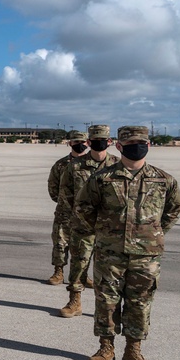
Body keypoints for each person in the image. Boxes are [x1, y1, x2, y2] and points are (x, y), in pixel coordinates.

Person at [74, 125, 180, 360]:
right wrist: (104, 233)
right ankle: (105, 348)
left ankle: (133, 351)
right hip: (110, 253)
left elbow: (174, 209)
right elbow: (84, 207)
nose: (137, 147)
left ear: (149, 145)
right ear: (119, 147)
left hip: (147, 255)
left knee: (141, 302)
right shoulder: (102, 178)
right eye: (131, 144)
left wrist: (155, 233)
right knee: (107, 301)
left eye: (141, 142)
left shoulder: (164, 179)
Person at [57, 125, 120, 317]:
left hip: (110, 228)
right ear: (89, 142)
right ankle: (75, 301)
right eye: (95, 139)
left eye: (104, 139)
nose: (100, 143)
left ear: (110, 142)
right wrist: (75, 218)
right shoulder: (75, 166)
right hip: (83, 225)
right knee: (79, 264)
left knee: (111, 270)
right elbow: (64, 194)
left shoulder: (118, 166)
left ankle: (110, 309)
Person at [46, 131, 89, 285]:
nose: (80, 145)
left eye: (83, 142)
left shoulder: (92, 164)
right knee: (60, 242)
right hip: (65, 211)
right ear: (70, 143)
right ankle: (58, 272)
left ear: (88, 143)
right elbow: (53, 185)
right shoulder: (61, 164)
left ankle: (83, 275)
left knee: (85, 245)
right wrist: (62, 201)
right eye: (76, 142)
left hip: (86, 213)